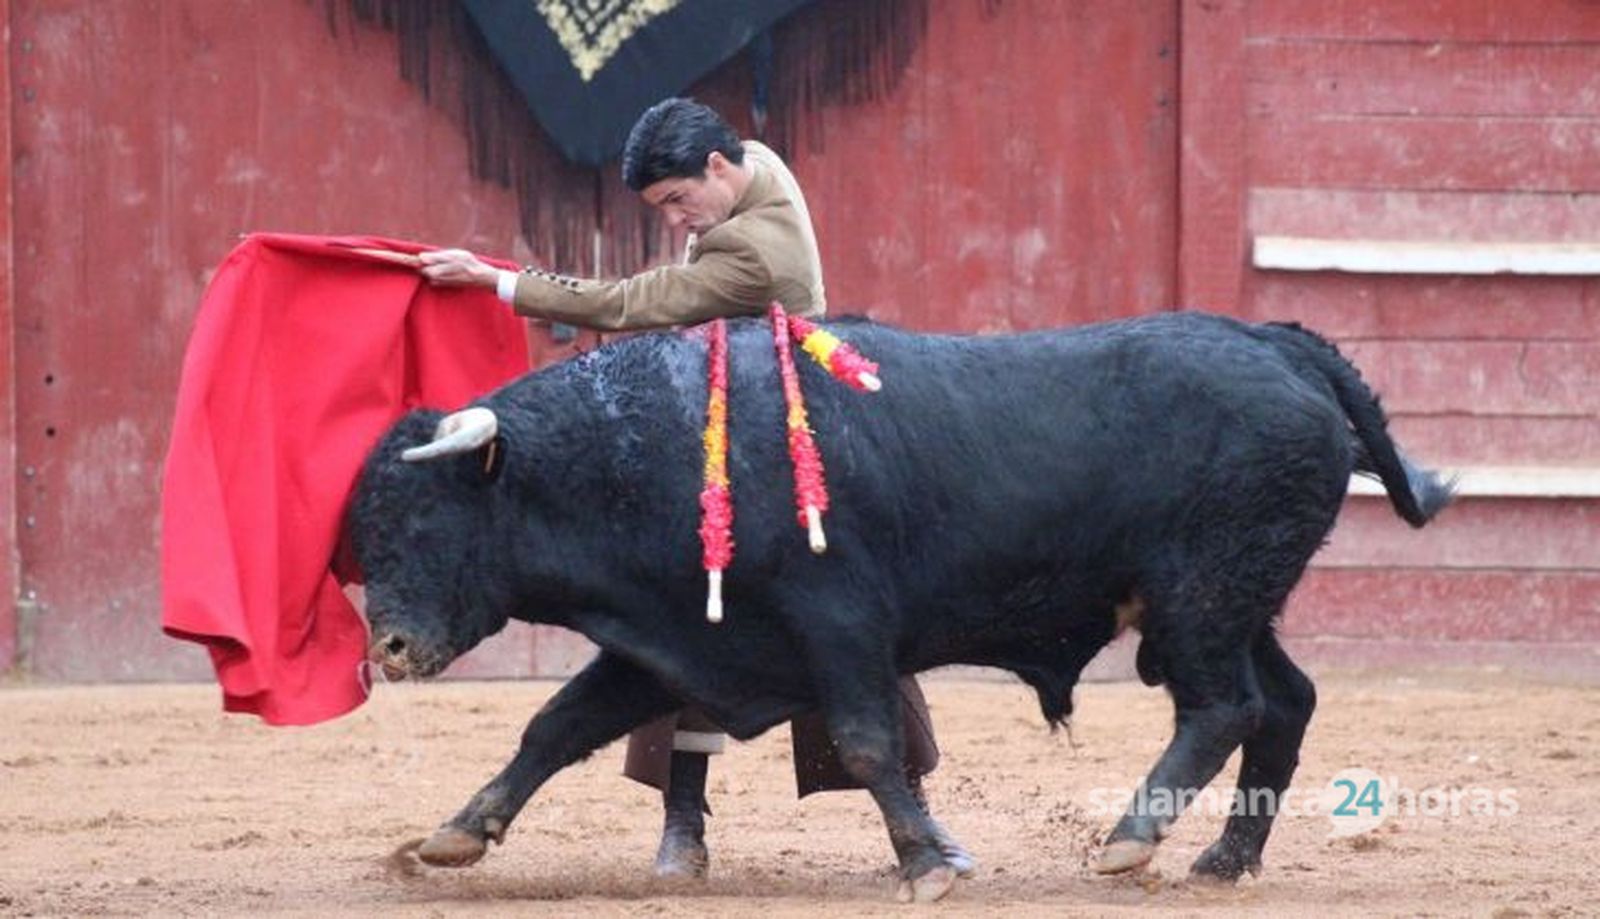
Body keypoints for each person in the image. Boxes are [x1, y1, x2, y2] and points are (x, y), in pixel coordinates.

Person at [417, 97, 970, 881]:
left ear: (717, 167)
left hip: (776, 443)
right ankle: (690, 820)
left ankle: (895, 818)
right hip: (735, 424)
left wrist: (500, 281)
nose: (679, 220)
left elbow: (627, 304)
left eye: (679, 200)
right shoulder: (755, 163)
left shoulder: (753, 248)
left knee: (809, 616)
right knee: (700, 607)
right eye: (662, 206)